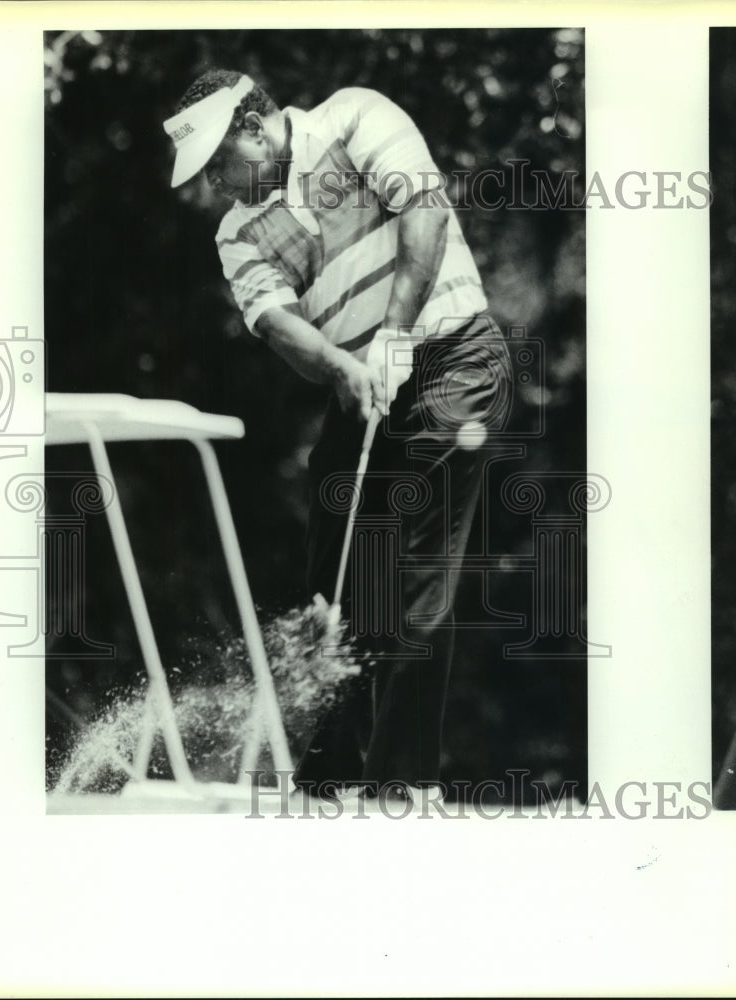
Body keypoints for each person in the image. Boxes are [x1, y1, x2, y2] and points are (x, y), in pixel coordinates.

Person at [164, 69, 512, 806]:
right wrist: (344, 368)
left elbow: (425, 211)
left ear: (255, 128)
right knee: (338, 581)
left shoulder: (355, 117)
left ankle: (402, 790)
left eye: (220, 164)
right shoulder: (237, 230)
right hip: (360, 384)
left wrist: (395, 333)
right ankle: (327, 786)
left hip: (455, 358)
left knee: (415, 575)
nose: (217, 185)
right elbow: (277, 323)